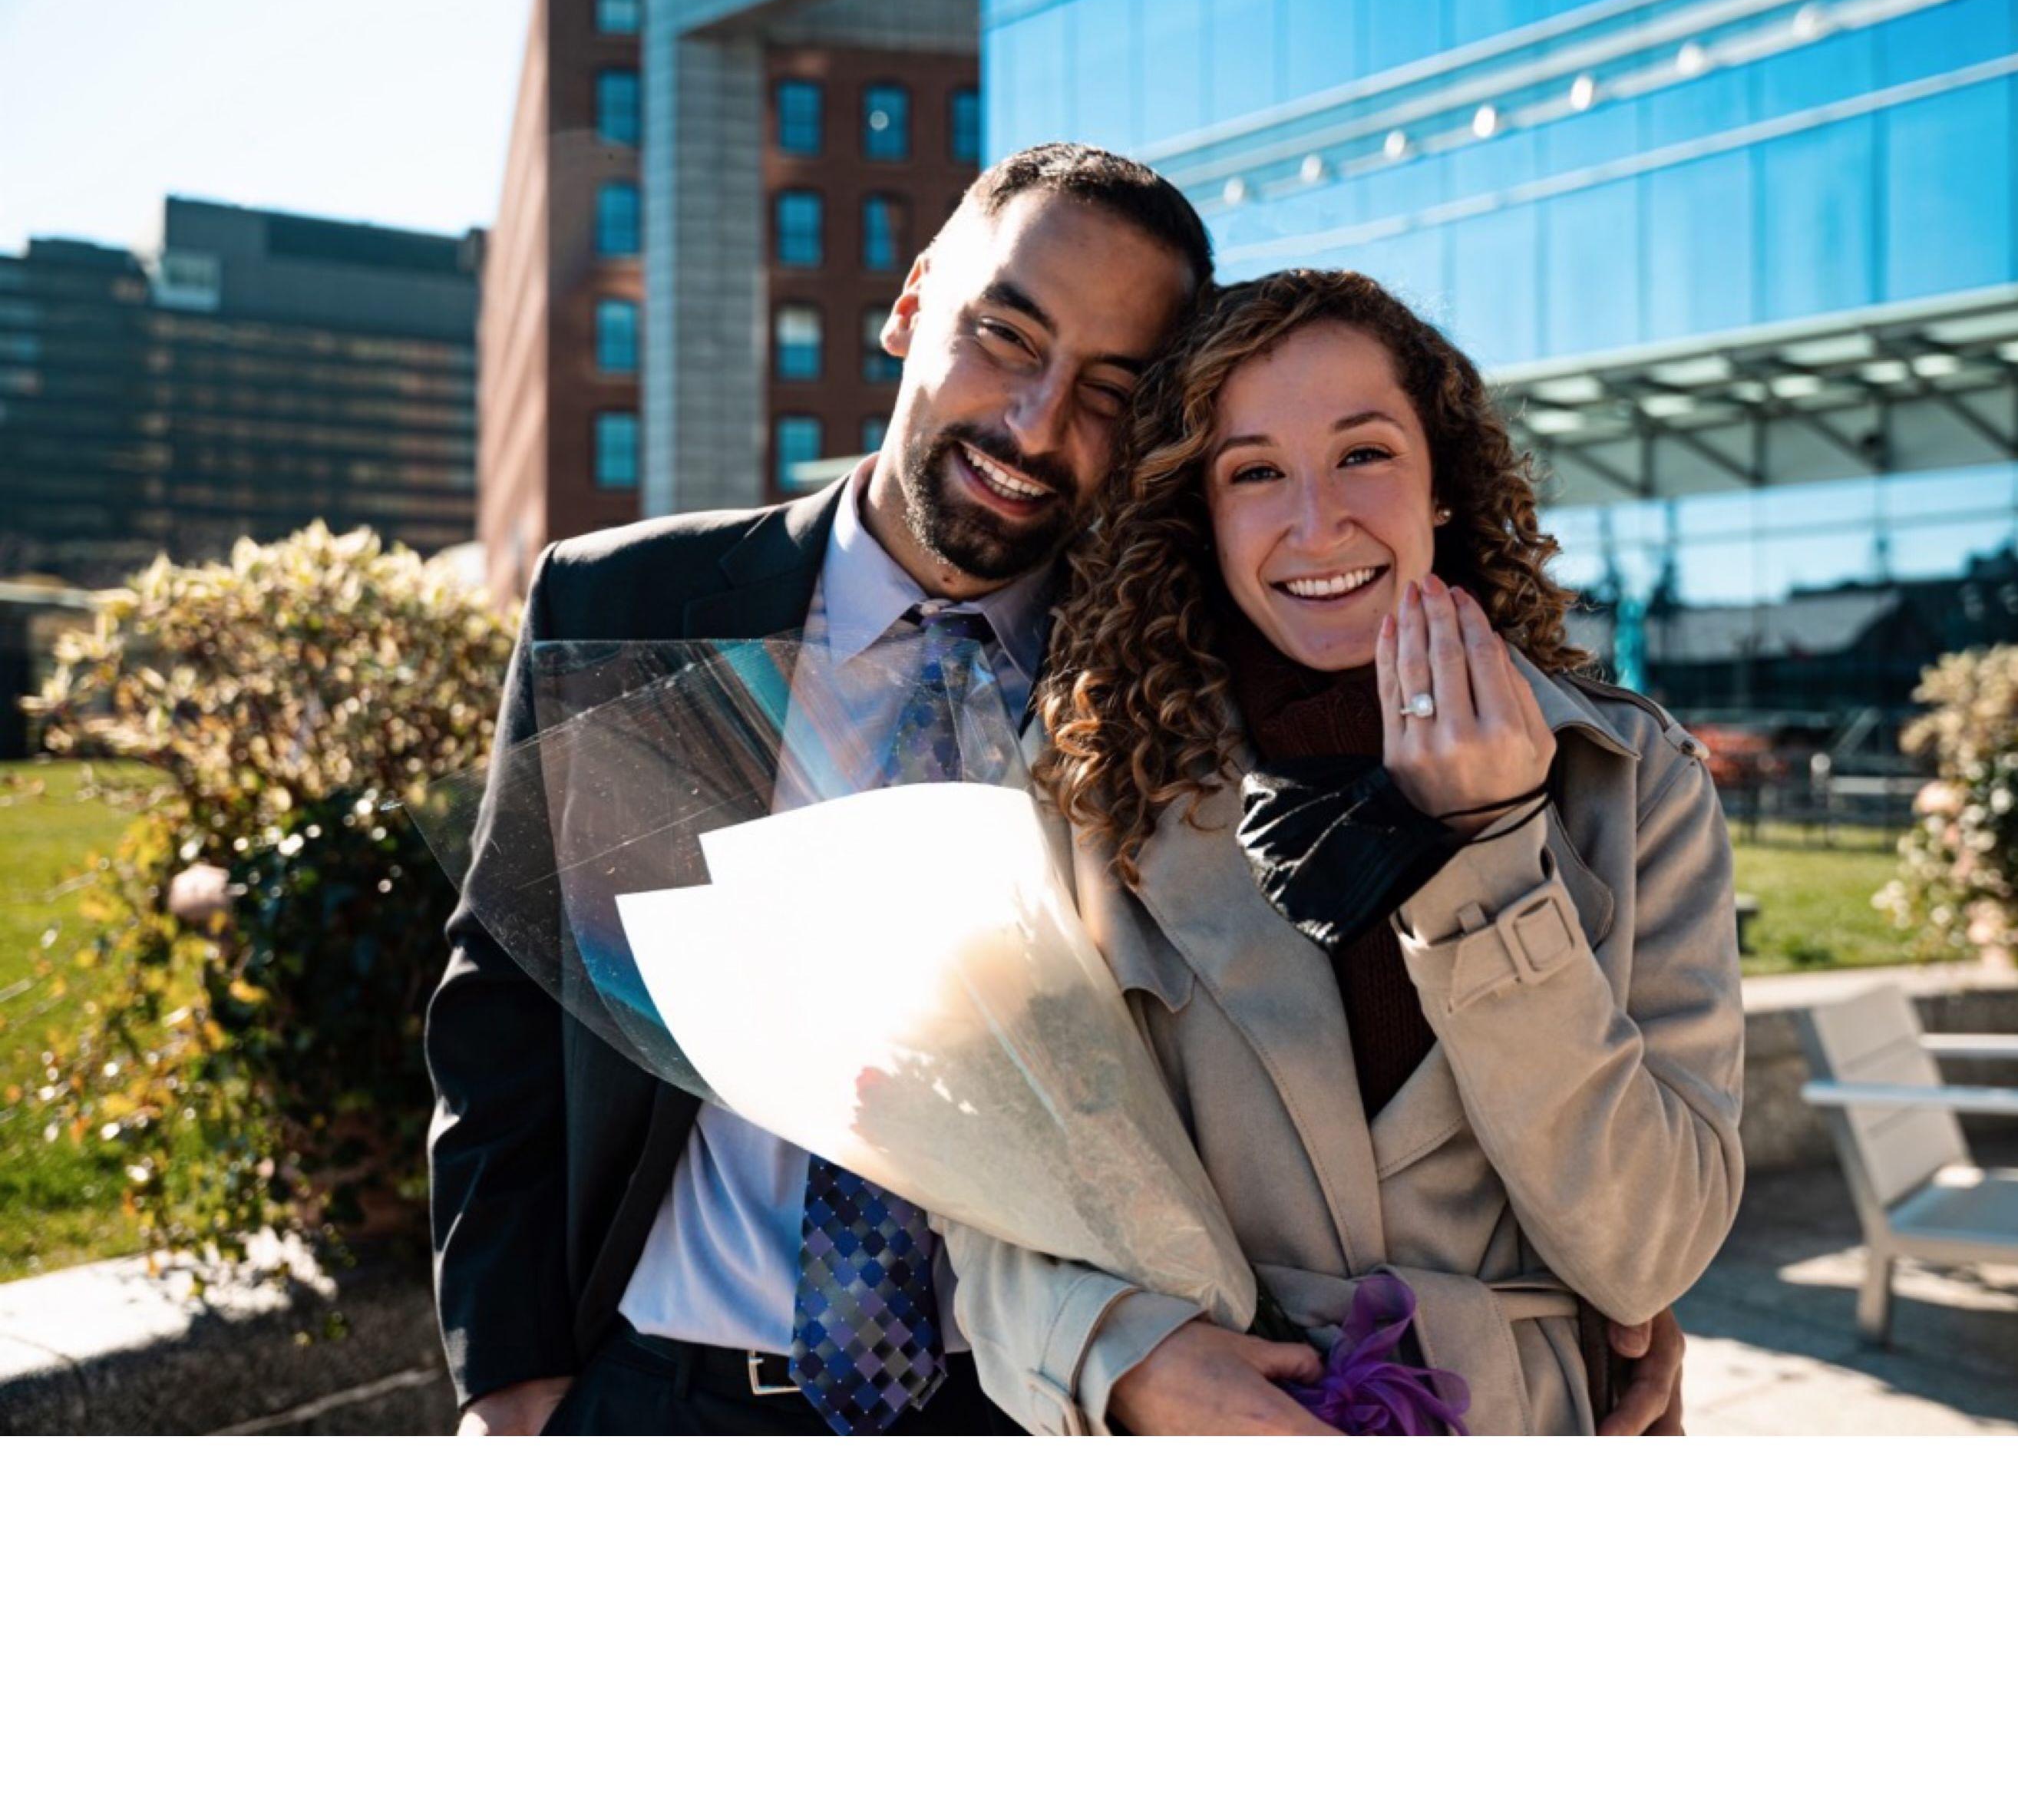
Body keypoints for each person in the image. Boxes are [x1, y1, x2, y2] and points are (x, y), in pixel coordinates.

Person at [428, 149, 1693, 1436]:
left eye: (1109, 390)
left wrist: (1586, 1300)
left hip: (1028, 1405)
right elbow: (512, 1000)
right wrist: (507, 1374)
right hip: (662, 1384)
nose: (1036, 427)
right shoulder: (624, 600)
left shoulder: (1158, 684)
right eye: (1006, 338)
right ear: (912, 303)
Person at [943, 267, 1743, 1434]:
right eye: (1255, 472)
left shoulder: (1631, 780)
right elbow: (988, 1192)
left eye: (1364, 454)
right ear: (1201, 514)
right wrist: (1117, 1357)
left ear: (1443, 485)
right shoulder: (1079, 788)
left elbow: (1652, 1252)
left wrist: (1490, 850)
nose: (1317, 524)